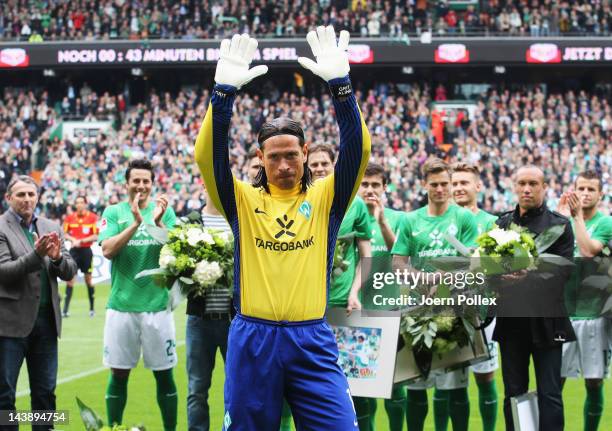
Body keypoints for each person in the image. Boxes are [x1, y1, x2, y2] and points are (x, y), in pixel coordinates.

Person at [195, 27, 371, 430]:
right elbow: (206, 157)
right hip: (253, 339)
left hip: (311, 340)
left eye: (292, 154)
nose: (285, 165)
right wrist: (221, 96)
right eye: (274, 157)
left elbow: (359, 151)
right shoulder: (242, 200)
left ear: (305, 152)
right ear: (261, 157)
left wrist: (342, 88)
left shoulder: (327, 198)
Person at [392, 158, 478, 431]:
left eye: (445, 184)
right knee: (417, 386)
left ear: (451, 184)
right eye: (434, 184)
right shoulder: (410, 220)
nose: (440, 189)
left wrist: (444, 281)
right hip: (418, 313)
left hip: (456, 311)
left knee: (455, 387)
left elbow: (473, 262)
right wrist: (426, 279)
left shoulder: (464, 218)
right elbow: (397, 264)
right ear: (424, 185)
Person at [493, 165, 575, 431]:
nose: (527, 189)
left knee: (550, 393)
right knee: (512, 393)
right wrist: (498, 276)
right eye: (522, 184)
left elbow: (562, 273)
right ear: (514, 186)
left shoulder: (559, 225)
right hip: (511, 322)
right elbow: (486, 269)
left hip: (547, 322)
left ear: (544, 187)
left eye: (533, 184)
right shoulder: (501, 224)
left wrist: (525, 275)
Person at [98, 159, 178, 430]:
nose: (141, 186)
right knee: (118, 373)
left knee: (164, 375)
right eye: (136, 180)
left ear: (152, 184)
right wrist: (134, 224)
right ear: (127, 183)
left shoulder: (164, 212)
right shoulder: (113, 211)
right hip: (122, 306)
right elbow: (107, 250)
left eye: (146, 181)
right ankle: (114, 427)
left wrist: (154, 222)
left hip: (157, 306)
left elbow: (175, 250)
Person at [0, 175, 77, 431]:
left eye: (31, 194)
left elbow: (69, 271)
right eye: (21, 195)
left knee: (45, 395)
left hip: (46, 323)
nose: (27, 199)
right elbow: (5, 272)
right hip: (10, 325)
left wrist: (56, 259)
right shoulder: (1, 227)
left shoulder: (49, 225)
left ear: (38, 197)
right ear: (8, 198)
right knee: (4, 395)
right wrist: (37, 255)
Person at [307, 143, 373, 430]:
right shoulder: (303, 201)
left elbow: (367, 256)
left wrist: (355, 291)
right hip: (311, 308)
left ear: (333, 166)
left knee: (358, 382)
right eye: (314, 164)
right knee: (307, 383)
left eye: (324, 163)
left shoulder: (354, 203)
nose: (319, 168)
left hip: (346, 305)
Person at [558, 170, 612, 431]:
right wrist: (558, 218)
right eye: (581, 188)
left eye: (591, 189)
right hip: (564, 313)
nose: (586, 193)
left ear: (600, 195)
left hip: (594, 314)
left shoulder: (606, 223)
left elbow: (589, 251)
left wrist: (576, 217)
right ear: (574, 190)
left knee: (594, 381)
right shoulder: (563, 222)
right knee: (554, 381)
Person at [358, 162, 406, 431]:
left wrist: (382, 221)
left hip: (390, 310)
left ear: (385, 187)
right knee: (362, 389)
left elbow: (400, 255)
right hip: (355, 312)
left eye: (376, 184)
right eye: (365, 184)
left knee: (395, 387)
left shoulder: (399, 219)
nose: (370, 190)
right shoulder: (346, 216)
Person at [451, 163, 499, 431]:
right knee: (453, 379)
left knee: (485, 376)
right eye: (454, 183)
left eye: (464, 183)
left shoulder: (491, 223)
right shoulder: (442, 221)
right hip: (448, 312)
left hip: (483, 311)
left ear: (477, 186)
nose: (458, 188)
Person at [186, 185, 233, 431]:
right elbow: (178, 267)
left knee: (236, 387)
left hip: (234, 320)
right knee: (196, 390)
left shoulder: (238, 219)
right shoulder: (192, 222)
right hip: (199, 319)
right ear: (203, 184)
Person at [62, 194, 98, 317]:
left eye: (81, 202)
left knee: (88, 280)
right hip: (74, 252)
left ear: (85, 204)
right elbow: (64, 233)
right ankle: (65, 310)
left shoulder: (93, 218)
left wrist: (82, 241)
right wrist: (72, 239)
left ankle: (92, 309)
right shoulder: (70, 218)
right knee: (70, 280)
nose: (79, 204)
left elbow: (96, 235)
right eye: (77, 202)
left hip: (86, 251)